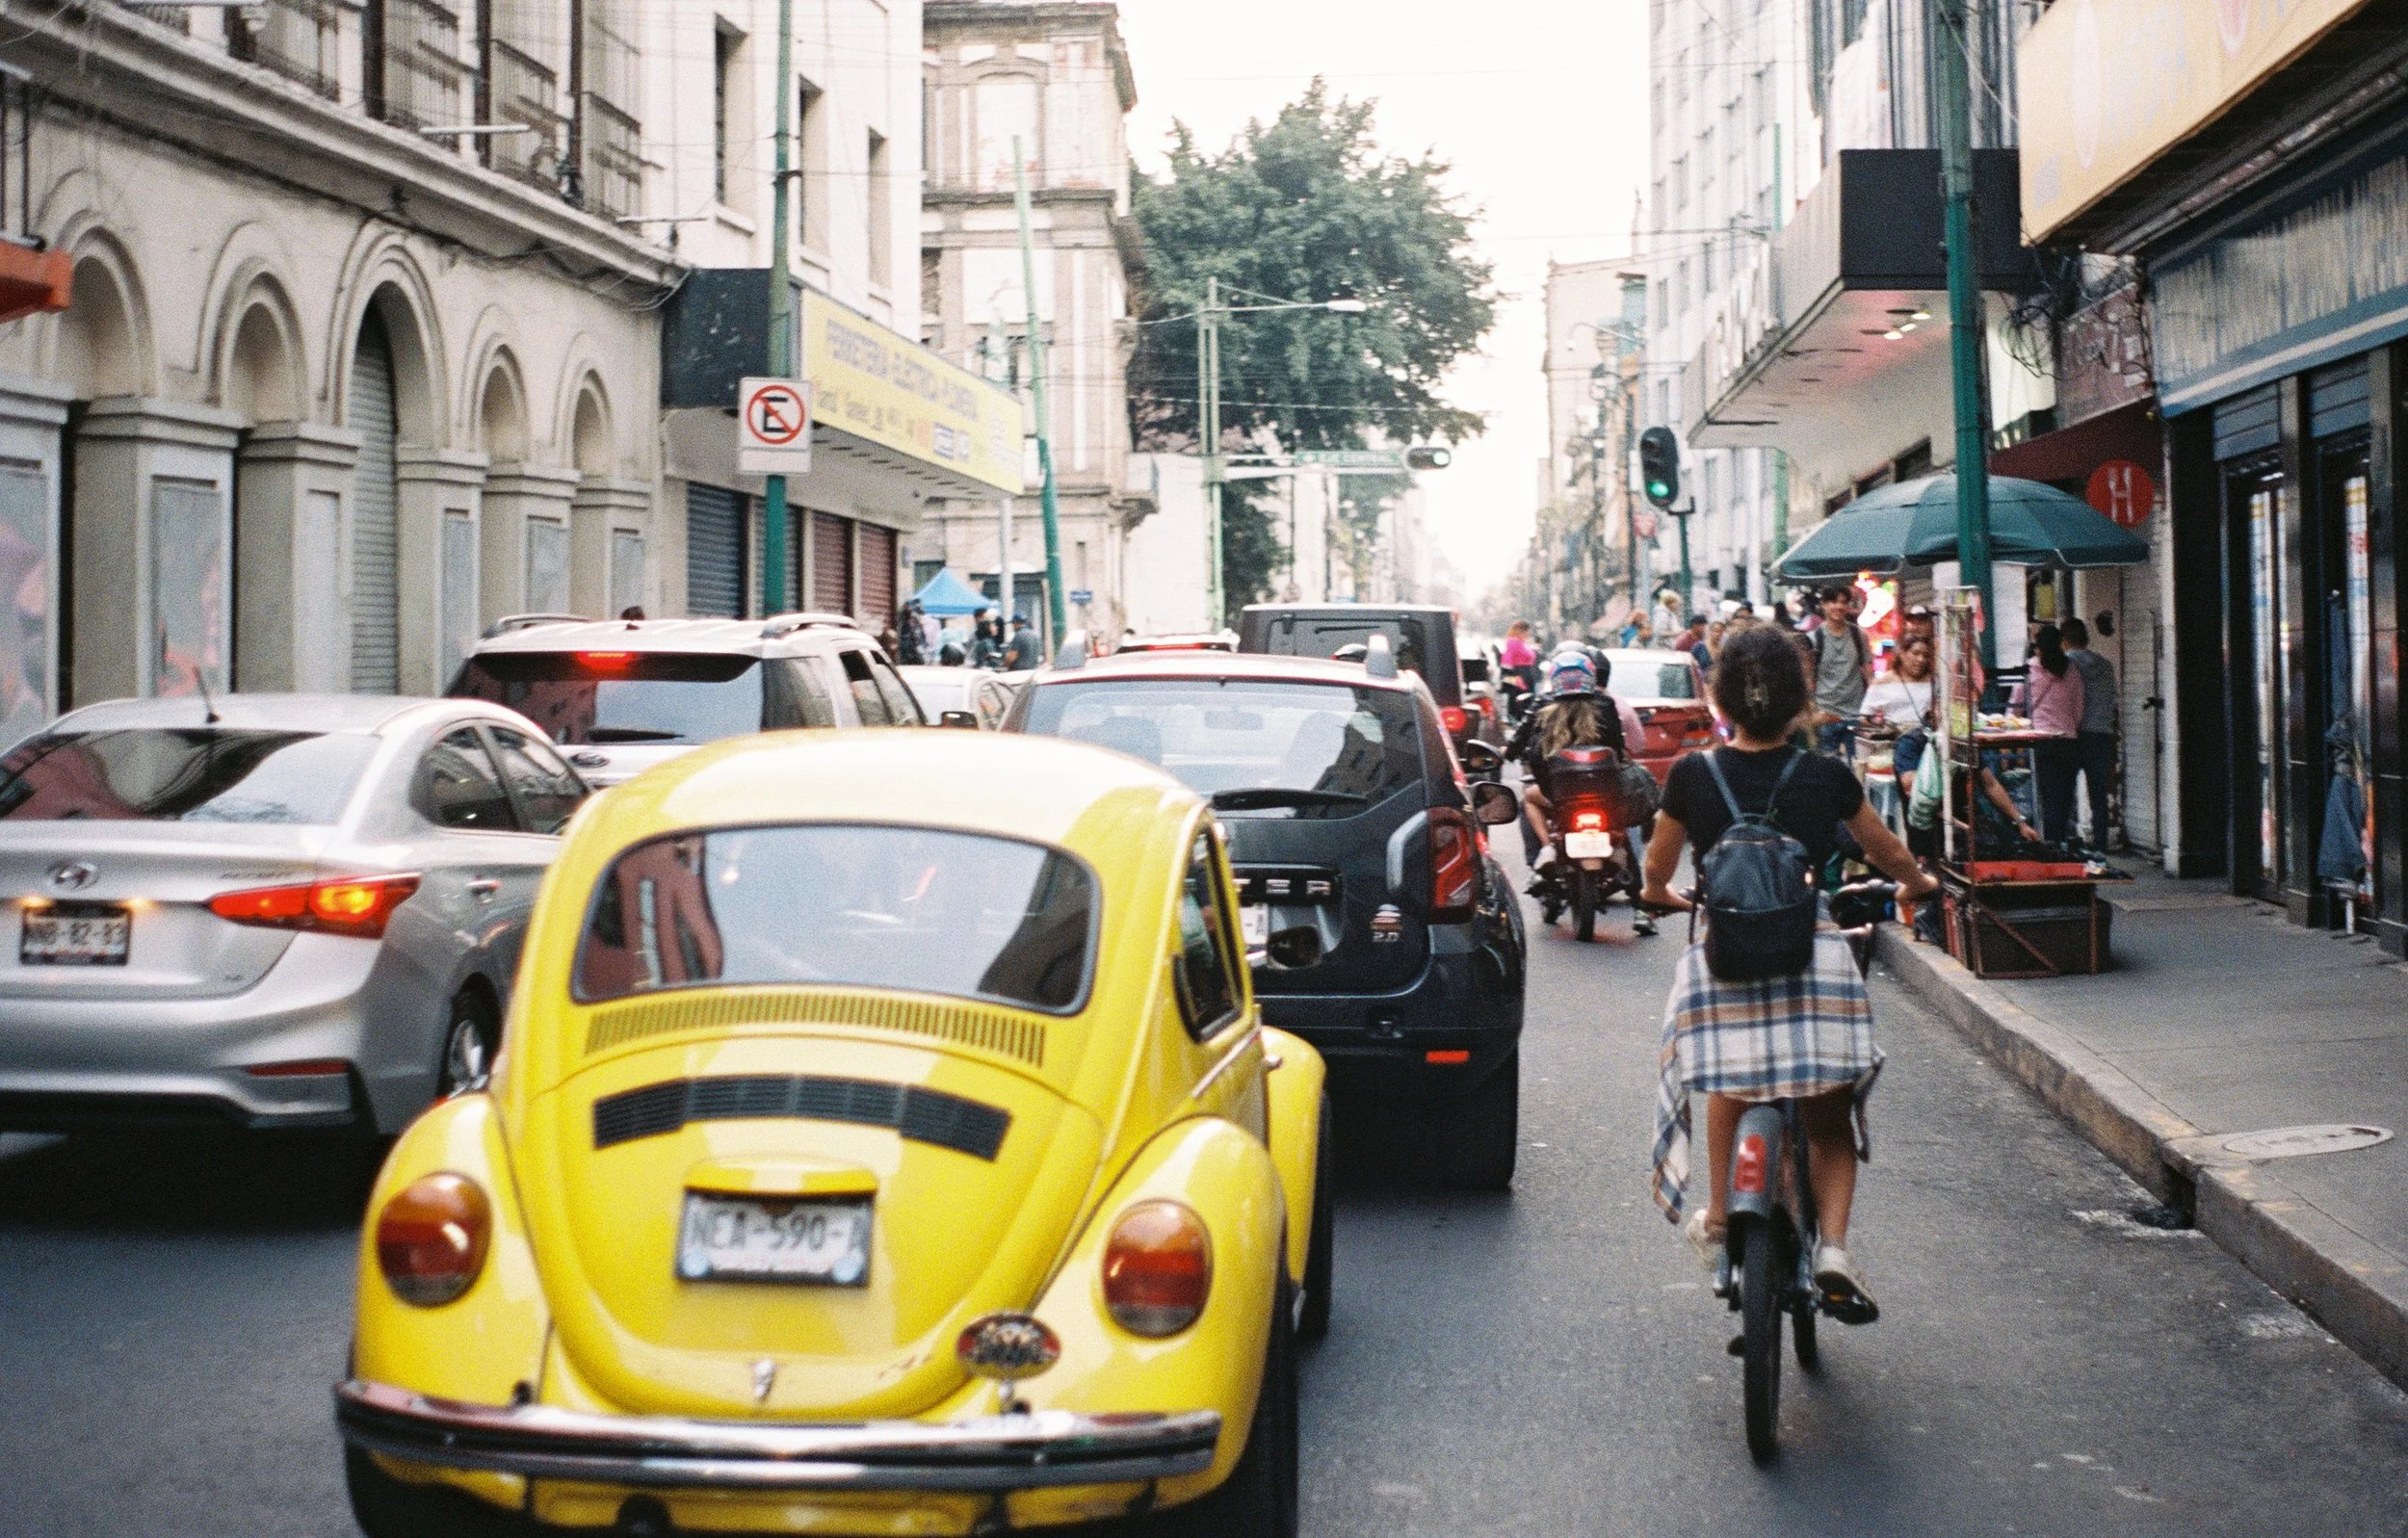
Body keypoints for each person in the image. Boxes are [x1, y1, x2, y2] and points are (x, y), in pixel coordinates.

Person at [1639, 625, 1939, 1320]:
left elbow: (1656, 872)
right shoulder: (1826, 776)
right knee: (1829, 1112)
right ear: (1802, 698)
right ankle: (1832, 1247)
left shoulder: (1691, 774)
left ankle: (1717, 1219)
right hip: (1814, 961)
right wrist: (1916, 884)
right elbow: (1889, 853)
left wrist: (1665, 896)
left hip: (1725, 962)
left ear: (1721, 699)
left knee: (1727, 1087)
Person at [1505, 648, 1654, 933]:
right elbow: (1618, 749)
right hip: (1606, 796)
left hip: (1559, 798)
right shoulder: (1605, 705)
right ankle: (1641, 906)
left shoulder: (1543, 705)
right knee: (1620, 838)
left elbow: (1526, 748)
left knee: (1529, 799)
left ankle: (1546, 849)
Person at [2013, 624, 2086, 844]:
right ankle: (2060, 840)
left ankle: (2050, 843)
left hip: (2041, 742)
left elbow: (2015, 706)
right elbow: (2078, 708)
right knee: (2064, 797)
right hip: (2069, 742)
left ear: (2039, 649)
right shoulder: (2072, 670)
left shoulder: (2029, 669)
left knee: (2045, 797)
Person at [2061, 617, 2118, 851]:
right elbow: (2111, 700)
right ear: (2086, 638)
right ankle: (2100, 845)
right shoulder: (2105, 665)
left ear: (2064, 641)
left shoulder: (2065, 664)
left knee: (2064, 791)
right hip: (2102, 734)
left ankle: (2065, 842)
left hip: (2075, 734)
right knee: (2099, 795)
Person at [1807, 585, 1871, 758]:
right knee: (1825, 770)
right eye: (1833, 602)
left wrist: (1871, 707)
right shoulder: (1814, 639)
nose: (1839, 606)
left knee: (1858, 767)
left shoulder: (1859, 636)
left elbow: (1868, 671)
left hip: (1856, 714)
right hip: (1826, 714)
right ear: (1824, 605)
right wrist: (1813, 711)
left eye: (1843, 602)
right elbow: (1807, 678)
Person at [1860, 631, 1934, 729]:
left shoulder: (1933, 682)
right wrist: (1878, 723)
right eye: (1915, 653)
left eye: (1925, 655)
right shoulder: (1883, 682)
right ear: (1902, 654)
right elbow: (1864, 717)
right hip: (1895, 740)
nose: (1921, 659)